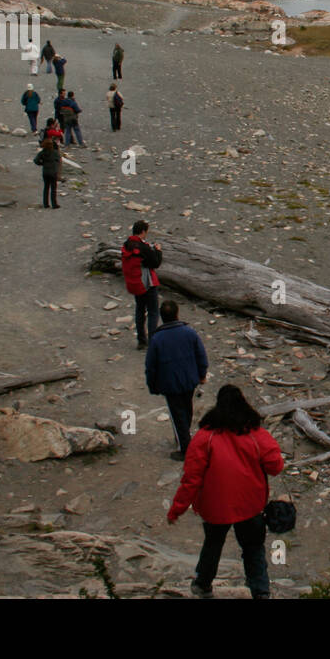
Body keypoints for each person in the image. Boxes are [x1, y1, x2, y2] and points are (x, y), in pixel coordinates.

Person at [168, 384, 283, 599]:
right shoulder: (255, 434)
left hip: (215, 506)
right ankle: (261, 591)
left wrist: (177, 509)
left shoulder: (205, 437)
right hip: (250, 505)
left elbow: (191, 479)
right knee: (253, 548)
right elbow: (275, 467)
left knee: (212, 544)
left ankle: (203, 584)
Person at [145, 299, 209, 460]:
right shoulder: (189, 332)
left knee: (177, 413)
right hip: (189, 379)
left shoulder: (157, 339)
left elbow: (151, 366)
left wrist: (152, 385)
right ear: (177, 313)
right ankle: (184, 436)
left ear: (162, 317)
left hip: (170, 383)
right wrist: (202, 374)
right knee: (187, 408)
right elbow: (201, 355)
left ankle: (185, 448)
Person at [122, 220, 162, 350]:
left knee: (140, 310)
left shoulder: (127, 245)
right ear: (143, 231)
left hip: (135, 283)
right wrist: (158, 251)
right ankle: (152, 341)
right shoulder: (143, 247)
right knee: (153, 312)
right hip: (147, 283)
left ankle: (141, 340)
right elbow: (155, 263)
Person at [33, 136, 62, 208]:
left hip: (45, 172)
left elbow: (36, 161)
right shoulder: (55, 153)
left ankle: (46, 204)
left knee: (46, 188)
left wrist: (42, 163)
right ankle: (54, 204)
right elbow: (59, 161)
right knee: (53, 189)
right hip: (53, 172)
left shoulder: (42, 153)